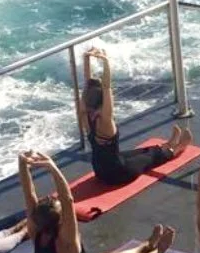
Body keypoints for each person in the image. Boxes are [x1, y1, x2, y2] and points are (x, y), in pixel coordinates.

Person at [18, 150, 175, 253]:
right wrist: (53, 167)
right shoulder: (67, 241)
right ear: (61, 220)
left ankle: (146, 245)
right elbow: (67, 199)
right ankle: (156, 252)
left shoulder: (37, 232)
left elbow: (29, 196)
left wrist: (23, 165)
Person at [80, 48, 192, 186]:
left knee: (141, 151)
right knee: (149, 157)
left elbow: (87, 84)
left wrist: (86, 58)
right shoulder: (106, 120)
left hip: (100, 171)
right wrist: (106, 61)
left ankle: (169, 144)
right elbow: (107, 87)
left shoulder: (85, 114)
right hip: (118, 174)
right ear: (103, 101)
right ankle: (176, 149)